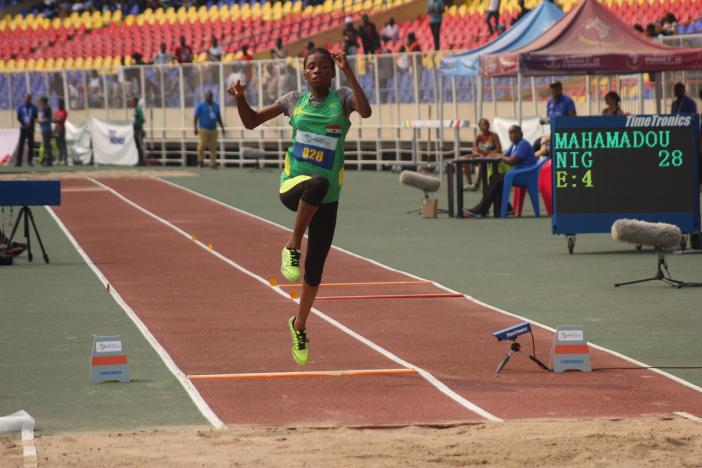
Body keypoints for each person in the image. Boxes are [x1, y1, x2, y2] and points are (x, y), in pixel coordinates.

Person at [227, 48, 371, 366]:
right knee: (316, 182)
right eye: (311, 67)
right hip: (294, 185)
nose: (317, 70)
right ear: (304, 74)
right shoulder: (294, 100)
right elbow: (250, 122)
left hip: (329, 199)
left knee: (315, 271)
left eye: (323, 66)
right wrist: (239, 98)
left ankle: (299, 325)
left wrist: (348, 71)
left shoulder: (343, 97)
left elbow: (366, 111)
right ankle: (292, 244)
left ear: (331, 73)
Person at [466, 125, 536, 218]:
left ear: (521, 134)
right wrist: (486, 154)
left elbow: (511, 161)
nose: (512, 135)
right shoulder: (514, 145)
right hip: (517, 173)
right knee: (494, 178)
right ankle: (506, 208)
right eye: (510, 133)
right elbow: (503, 155)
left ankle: (481, 210)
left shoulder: (523, 144)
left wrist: (499, 156)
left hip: (525, 175)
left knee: (497, 180)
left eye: (514, 132)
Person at [464, 118, 502, 190]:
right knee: (464, 159)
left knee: (482, 162)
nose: (486, 126)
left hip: (490, 156)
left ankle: (477, 184)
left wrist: (488, 153)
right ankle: (469, 183)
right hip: (480, 155)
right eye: (484, 124)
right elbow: (474, 149)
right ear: (480, 126)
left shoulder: (493, 135)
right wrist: (477, 153)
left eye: (487, 124)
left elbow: (499, 150)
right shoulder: (478, 136)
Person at [194, 90, 225, 168]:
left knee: (213, 146)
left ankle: (213, 163)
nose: (209, 97)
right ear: (205, 97)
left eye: (210, 96)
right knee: (202, 145)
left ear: (212, 97)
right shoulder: (200, 105)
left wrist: (222, 127)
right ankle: (200, 160)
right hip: (203, 129)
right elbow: (196, 117)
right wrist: (195, 128)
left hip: (213, 129)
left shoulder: (216, 106)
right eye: (207, 96)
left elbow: (218, 117)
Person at [16, 94, 38, 167]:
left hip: (31, 128)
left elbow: (35, 117)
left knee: (31, 145)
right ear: (24, 99)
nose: (27, 100)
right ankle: (18, 162)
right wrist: (24, 123)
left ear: (30, 99)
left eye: (28, 99)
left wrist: (30, 124)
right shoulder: (20, 107)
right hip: (23, 128)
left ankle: (30, 161)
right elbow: (18, 117)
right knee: (21, 145)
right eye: (26, 98)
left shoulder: (34, 107)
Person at [38, 97, 53, 166]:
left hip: (47, 129)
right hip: (44, 129)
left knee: (47, 146)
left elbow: (48, 119)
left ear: (44, 102)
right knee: (46, 145)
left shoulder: (47, 108)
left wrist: (40, 121)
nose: (40, 103)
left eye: (41, 101)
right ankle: (46, 160)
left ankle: (49, 161)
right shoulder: (43, 109)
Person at [53, 99, 68, 165]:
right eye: (59, 104)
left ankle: (64, 159)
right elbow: (53, 119)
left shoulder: (64, 111)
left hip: (61, 129)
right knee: (57, 144)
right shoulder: (56, 111)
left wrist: (56, 119)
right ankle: (59, 159)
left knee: (62, 144)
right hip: (56, 129)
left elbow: (61, 119)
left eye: (61, 104)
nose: (60, 105)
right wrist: (56, 119)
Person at [132, 97, 146, 166]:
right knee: (138, 146)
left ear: (135, 101)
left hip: (138, 129)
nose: (132, 102)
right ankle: (140, 161)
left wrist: (138, 125)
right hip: (137, 129)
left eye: (133, 101)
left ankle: (142, 161)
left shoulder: (138, 108)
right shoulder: (136, 108)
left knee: (140, 146)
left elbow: (142, 119)